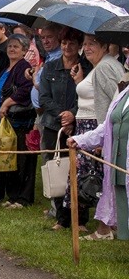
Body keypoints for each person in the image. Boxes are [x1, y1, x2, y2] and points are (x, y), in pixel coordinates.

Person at [61, 34, 122, 237]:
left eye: (92, 44)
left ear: (104, 46)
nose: (86, 48)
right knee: (98, 180)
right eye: (85, 44)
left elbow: (116, 102)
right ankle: (106, 226)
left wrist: (103, 138)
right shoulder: (100, 66)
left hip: (99, 128)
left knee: (98, 181)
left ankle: (105, 228)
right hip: (92, 128)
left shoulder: (105, 67)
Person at [67, 79, 129, 240]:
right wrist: (81, 140)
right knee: (123, 207)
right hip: (118, 161)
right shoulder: (124, 94)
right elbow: (107, 127)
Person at [39, 28, 88, 225]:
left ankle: (80, 219)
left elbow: (87, 94)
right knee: (56, 168)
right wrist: (63, 117)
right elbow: (44, 97)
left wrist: (73, 114)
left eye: (72, 43)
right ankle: (61, 218)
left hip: (79, 126)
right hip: (53, 126)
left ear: (79, 46)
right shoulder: (50, 67)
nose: (67, 47)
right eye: (64, 43)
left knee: (79, 171)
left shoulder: (86, 67)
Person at [0, 34, 36, 208]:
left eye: (16, 46)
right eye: (10, 46)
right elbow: (0, 89)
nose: (11, 49)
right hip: (6, 121)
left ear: (24, 51)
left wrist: (7, 103)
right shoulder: (7, 68)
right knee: (11, 158)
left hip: (20, 122)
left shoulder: (23, 66)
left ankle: (23, 198)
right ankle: (12, 195)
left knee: (22, 160)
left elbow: (26, 89)